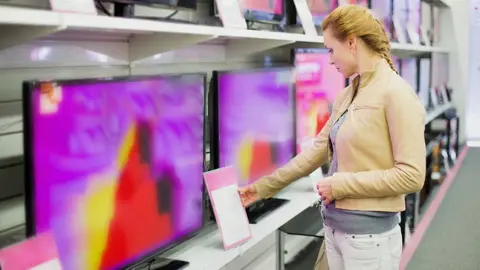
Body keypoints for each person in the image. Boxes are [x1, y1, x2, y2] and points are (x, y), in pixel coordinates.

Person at [239, 5, 426, 270]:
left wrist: (342, 185)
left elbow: (412, 175)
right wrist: (260, 189)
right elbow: (316, 152)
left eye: (330, 49)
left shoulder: (396, 94)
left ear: (351, 42)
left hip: (369, 241)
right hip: (335, 230)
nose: (329, 59)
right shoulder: (348, 94)